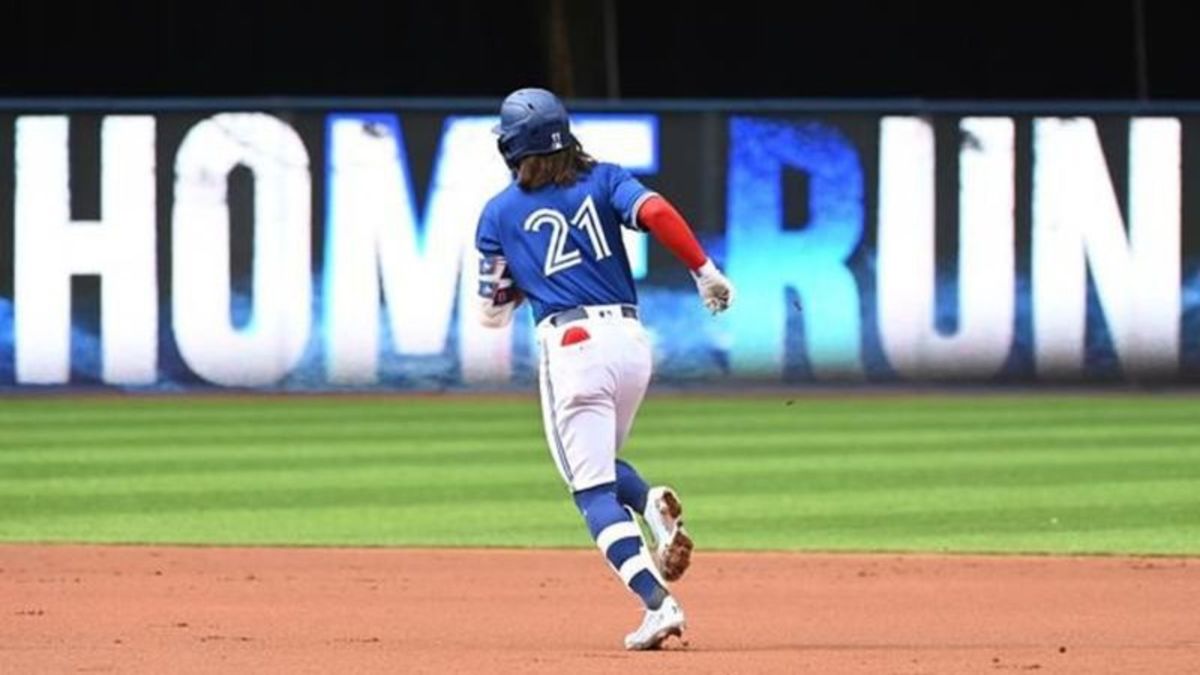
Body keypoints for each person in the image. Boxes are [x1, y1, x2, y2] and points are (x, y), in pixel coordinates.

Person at [474, 87, 734, 650]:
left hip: (571, 344)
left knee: (588, 489)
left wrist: (525, 281)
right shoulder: (607, 177)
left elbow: (491, 314)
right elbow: (658, 212)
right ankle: (649, 503)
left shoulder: (498, 213)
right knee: (601, 465)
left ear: (510, 148)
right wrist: (705, 271)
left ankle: (657, 603)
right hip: (632, 342)